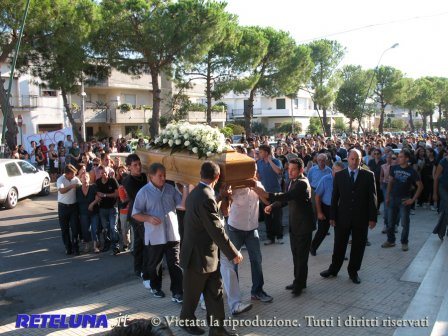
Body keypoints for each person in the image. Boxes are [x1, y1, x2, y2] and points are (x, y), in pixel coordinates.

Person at [180, 161, 242, 336]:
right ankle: (186, 321)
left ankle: (217, 329)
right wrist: (233, 253)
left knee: (215, 292)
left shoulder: (198, 193)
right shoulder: (206, 196)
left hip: (208, 255)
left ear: (201, 174)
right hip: (197, 257)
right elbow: (215, 229)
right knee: (192, 295)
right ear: (217, 177)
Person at [254, 158, 315, 297]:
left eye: (293, 169)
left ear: (301, 170)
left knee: (301, 257)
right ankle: (298, 281)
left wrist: (268, 195)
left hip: (303, 227)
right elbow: (287, 201)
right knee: (296, 255)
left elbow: (287, 196)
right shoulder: (292, 182)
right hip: (295, 225)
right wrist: (272, 205)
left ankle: (299, 285)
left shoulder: (302, 184)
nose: (290, 172)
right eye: (289, 169)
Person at [320, 149, 377, 284]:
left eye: (357, 159)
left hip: (360, 217)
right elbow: (335, 197)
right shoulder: (340, 175)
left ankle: (353, 271)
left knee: (358, 246)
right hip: (342, 217)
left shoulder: (368, 175)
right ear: (347, 159)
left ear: (361, 160)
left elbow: (372, 198)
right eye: (352, 159)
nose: (354, 161)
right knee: (339, 245)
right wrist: (332, 216)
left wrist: (372, 217)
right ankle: (333, 269)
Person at [132, 163, 187, 302]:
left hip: (172, 233)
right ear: (151, 176)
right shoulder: (143, 192)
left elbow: (181, 205)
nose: (163, 178)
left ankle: (177, 292)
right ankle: (155, 287)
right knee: (155, 264)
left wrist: (185, 188)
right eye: (160, 176)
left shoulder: (170, 189)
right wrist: (148, 218)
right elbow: (135, 214)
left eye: (164, 175)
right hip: (155, 235)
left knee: (175, 263)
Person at [220, 182, 272, 316]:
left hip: (252, 229)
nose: (253, 171)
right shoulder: (235, 185)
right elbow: (225, 208)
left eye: (254, 169)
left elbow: (267, 201)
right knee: (232, 262)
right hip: (235, 229)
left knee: (257, 260)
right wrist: (226, 194)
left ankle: (257, 291)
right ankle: (234, 298)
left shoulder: (259, 184)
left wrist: (258, 189)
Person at [382, 149, 423, 251]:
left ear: (407, 158)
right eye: (398, 157)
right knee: (390, 222)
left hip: (404, 200)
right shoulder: (394, 168)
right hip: (393, 198)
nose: (398, 159)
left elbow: (420, 186)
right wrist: (387, 196)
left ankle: (404, 242)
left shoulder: (412, 171)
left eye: (401, 157)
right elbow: (390, 183)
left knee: (404, 223)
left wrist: (412, 200)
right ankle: (391, 241)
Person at [310, 161, 345, 256]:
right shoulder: (325, 179)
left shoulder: (345, 180)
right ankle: (313, 247)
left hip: (339, 209)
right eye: (337, 171)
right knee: (322, 231)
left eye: (341, 172)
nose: (339, 174)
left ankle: (338, 253)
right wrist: (319, 212)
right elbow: (317, 196)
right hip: (326, 208)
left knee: (340, 233)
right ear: (332, 170)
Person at [123, 154, 148, 277]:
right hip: (137, 215)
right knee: (142, 242)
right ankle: (140, 268)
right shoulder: (128, 181)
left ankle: (144, 266)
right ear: (129, 167)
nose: (138, 167)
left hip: (146, 213)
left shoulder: (144, 176)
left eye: (139, 164)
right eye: (135, 165)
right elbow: (139, 196)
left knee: (142, 241)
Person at [256, 144, 284, 245]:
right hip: (264, 193)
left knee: (277, 216)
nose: (259, 153)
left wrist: (270, 161)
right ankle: (270, 238)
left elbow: (279, 171)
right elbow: (257, 176)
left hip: (276, 193)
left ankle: (279, 236)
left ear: (266, 153)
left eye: (261, 152)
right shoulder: (258, 162)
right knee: (267, 217)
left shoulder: (277, 161)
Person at [56, 164, 81, 255]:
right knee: (64, 229)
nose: (74, 175)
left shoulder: (76, 179)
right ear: (67, 174)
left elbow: (81, 187)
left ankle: (76, 247)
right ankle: (68, 247)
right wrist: (71, 186)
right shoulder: (60, 180)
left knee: (75, 228)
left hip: (73, 207)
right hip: (63, 207)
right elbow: (61, 190)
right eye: (72, 174)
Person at [96, 165, 120, 255]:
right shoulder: (97, 182)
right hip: (102, 209)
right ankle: (107, 244)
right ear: (99, 174)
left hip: (113, 208)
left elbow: (117, 194)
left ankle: (116, 246)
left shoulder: (112, 180)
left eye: (105, 173)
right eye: (102, 173)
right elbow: (97, 193)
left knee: (113, 227)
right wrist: (98, 196)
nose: (104, 175)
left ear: (107, 173)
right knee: (105, 229)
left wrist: (105, 195)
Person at [76, 172, 100, 253]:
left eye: (87, 177)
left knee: (94, 229)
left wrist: (92, 204)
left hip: (94, 212)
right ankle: (87, 245)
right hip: (83, 212)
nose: (85, 178)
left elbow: (98, 198)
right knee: (85, 229)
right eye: (83, 177)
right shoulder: (78, 189)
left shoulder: (93, 187)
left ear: (89, 179)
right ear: (81, 179)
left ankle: (95, 246)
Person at [433, 155, 448, 240]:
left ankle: (440, 231)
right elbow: (436, 178)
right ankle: (440, 231)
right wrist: (435, 193)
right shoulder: (443, 161)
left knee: (446, 211)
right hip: (443, 188)